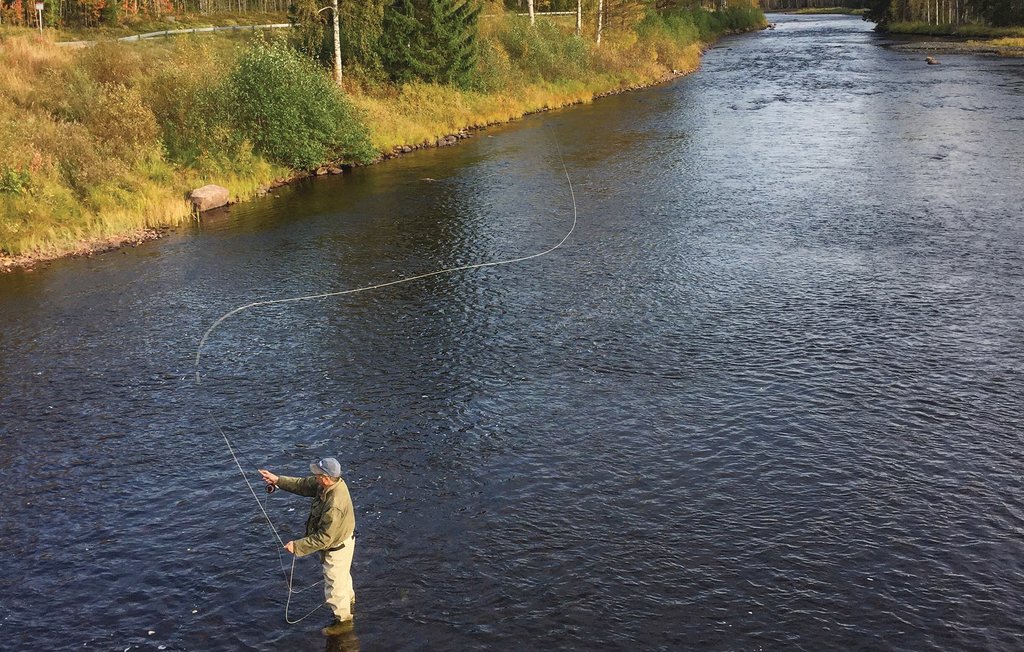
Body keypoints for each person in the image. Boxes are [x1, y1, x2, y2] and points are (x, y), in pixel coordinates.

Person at [258, 458, 356, 636]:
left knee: (334, 587)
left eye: (317, 474)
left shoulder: (334, 505)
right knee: (343, 578)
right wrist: (277, 480)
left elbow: (324, 538)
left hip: (336, 549)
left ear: (326, 477)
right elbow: (302, 485)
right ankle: (350, 603)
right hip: (345, 540)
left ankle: (344, 624)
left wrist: (297, 546)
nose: (314, 477)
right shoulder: (329, 484)